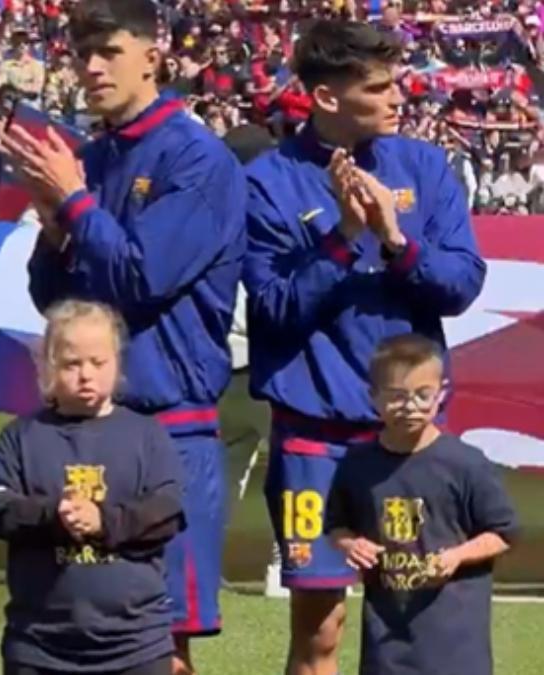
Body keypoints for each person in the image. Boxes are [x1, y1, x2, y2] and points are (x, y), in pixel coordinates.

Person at [5, 1, 246, 671]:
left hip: (168, 424)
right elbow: (57, 303)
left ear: (153, 53)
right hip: (82, 426)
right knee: (71, 625)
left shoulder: (198, 158)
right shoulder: (92, 157)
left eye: (108, 50)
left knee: (164, 644)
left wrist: (74, 202)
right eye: (82, 53)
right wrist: (56, 230)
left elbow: (142, 277)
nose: (91, 67)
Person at [242, 20, 486, 675]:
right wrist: (345, 237)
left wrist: (397, 241)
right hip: (312, 438)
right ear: (327, 98)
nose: (397, 97)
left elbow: (461, 283)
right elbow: (272, 309)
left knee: (416, 625)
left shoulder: (426, 168)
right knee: (319, 632)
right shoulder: (269, 182)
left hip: (409, 443)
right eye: (378, 87)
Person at [0, 300, 185, 675]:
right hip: (38, 645)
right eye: (72, 364)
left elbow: (166, 512)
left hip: (136, 646)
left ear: (117, 364)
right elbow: (0, 512)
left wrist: (104, 521)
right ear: (47, 366)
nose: (85, 375)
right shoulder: (19, 438)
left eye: (98, 362)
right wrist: (54, 515)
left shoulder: (147, 436)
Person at [326, 333, 517, 675]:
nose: (410, 407)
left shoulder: (466, 464)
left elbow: (503, 533)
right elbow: (336, 525)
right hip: (386, 641)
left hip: (455, 644)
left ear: (441, 394)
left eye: (422, 396)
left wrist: (456, 556)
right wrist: (350, 544)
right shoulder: (357, 464)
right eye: (397, 397)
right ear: (374, 397)